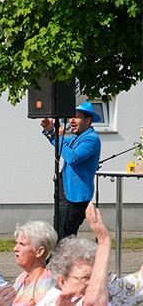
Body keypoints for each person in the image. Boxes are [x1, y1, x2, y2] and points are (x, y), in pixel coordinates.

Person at [40, 101, 102, 239]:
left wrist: (58, 136)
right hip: (65, 195)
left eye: (77, 117)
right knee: (59, 237)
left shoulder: (90, 139)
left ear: (88, 120)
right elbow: (57, 143)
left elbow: (73, 157)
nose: (72, 120)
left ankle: (61, 259)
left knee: (65, 240)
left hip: (75, 199)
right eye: (71, 117)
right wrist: (51, 132)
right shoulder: (76, 138)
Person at [10, 220, 58, 306]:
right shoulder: (22, 277)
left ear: (39, 252)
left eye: (22, 244)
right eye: (16, 243)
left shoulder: (45, 281)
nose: (15, 248)